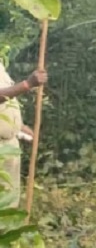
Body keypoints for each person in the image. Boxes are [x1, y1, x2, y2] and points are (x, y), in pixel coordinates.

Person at [0, 61, 47, 207]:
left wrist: (18, 126)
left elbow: (6, 102)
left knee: (9, 200)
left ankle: (7, 229)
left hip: (9, 145)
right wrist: (27, 84)